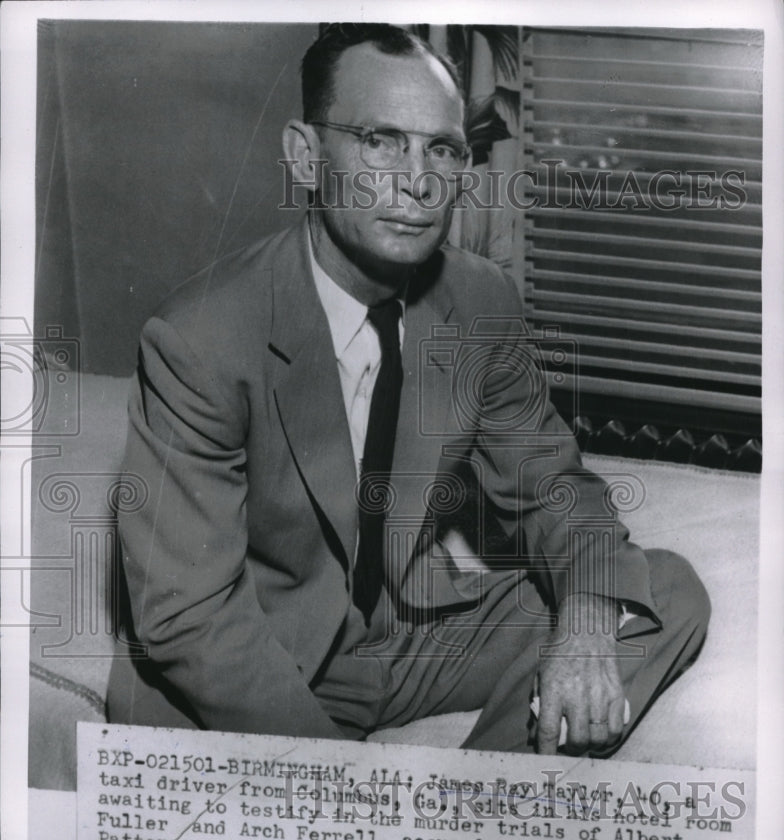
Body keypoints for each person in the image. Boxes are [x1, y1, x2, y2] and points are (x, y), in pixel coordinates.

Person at [108, 23, 710, 756]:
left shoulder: (479, 301)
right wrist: (338, 779)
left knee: (660, 591)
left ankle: (469, 823)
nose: (416, 179)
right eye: (379, 139)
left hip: (404, 635)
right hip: (257, 657)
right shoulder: (199, 337)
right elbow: (189, 616)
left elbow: (555, 488)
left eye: (442, 148)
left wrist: (583, 630)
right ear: (305, 156)